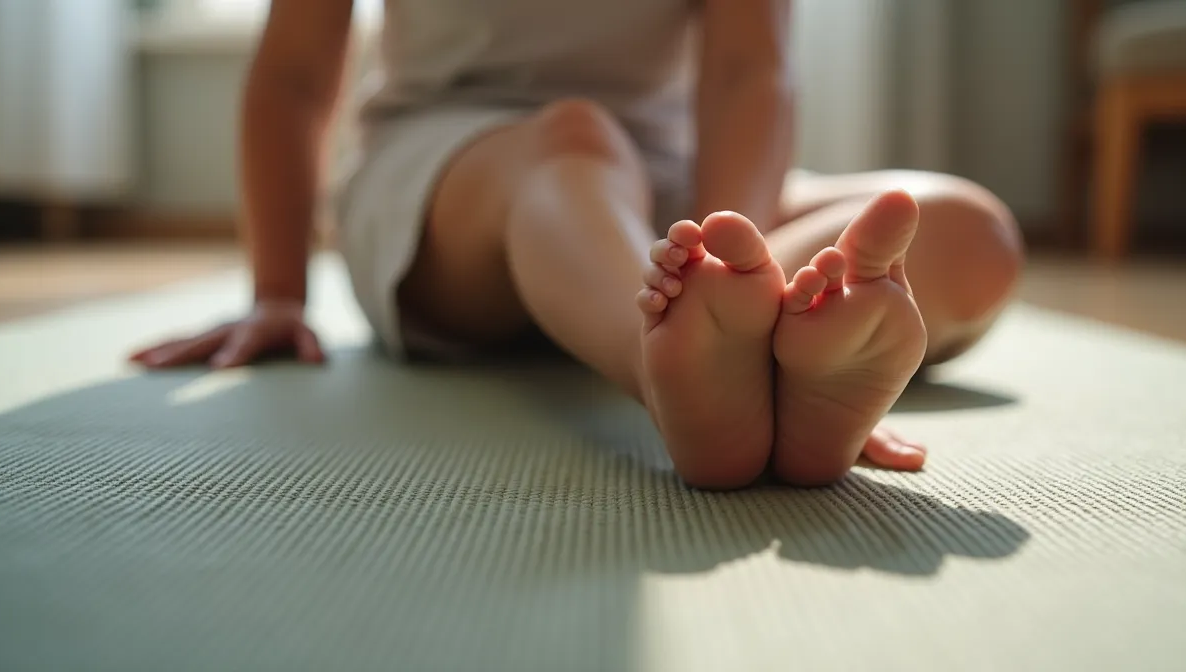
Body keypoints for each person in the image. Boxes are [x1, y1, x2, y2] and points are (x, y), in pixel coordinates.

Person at [130, 0, 1024, 490]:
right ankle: (676, 370)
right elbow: (292, 75)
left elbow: (751, 73)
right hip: (454, 178)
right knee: (575, 140)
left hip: (674, 187)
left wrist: (725, 246)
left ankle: (739, 337)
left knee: (965, 232)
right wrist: (279, 291)